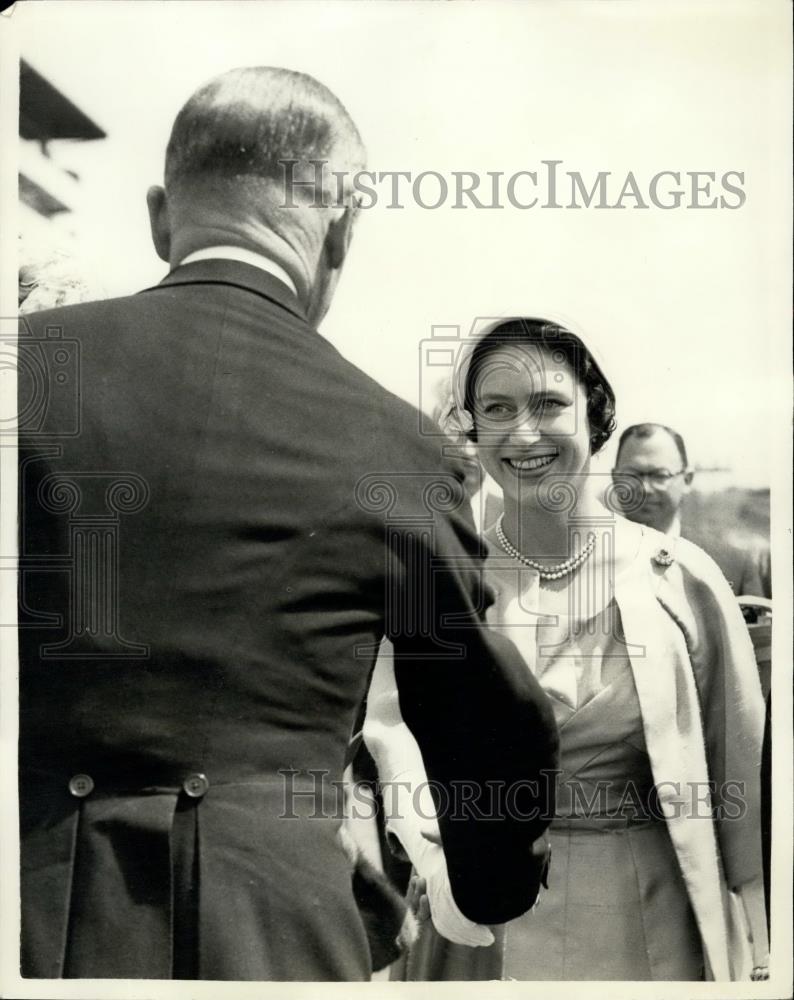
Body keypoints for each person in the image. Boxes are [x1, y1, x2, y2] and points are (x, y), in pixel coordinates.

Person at [17, 68, 558, 981]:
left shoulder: (24, 373)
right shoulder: (394, 442)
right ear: (343, 224)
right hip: (264, 928)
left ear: (161, 214)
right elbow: (476, 712)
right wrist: (489, 884)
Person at [365, 317, 768, 981]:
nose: (524, 434)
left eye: (549, 404)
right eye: (496, 409)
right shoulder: (437, 578)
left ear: (598, 414)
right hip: (478, 912)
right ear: (472, 428)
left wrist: (766, 939)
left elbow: (744, 781)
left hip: (646, 921)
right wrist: (438, 865)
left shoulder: (681, 575)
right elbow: (394, 733)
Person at [611, 423, 769, 597]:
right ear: (614, 478)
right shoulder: (588, 559)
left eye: (660, 475)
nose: (645, 488)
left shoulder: (734, 565)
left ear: (687, 479)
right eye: (632, 475)